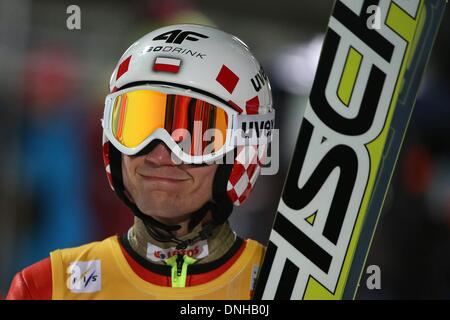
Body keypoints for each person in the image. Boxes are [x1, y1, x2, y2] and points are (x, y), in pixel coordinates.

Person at [6, 24, 275, 300]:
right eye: (137, 126)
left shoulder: (287, 285)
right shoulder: (45, 287)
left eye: (193, 134)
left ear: (245, 148)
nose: (158, 156)